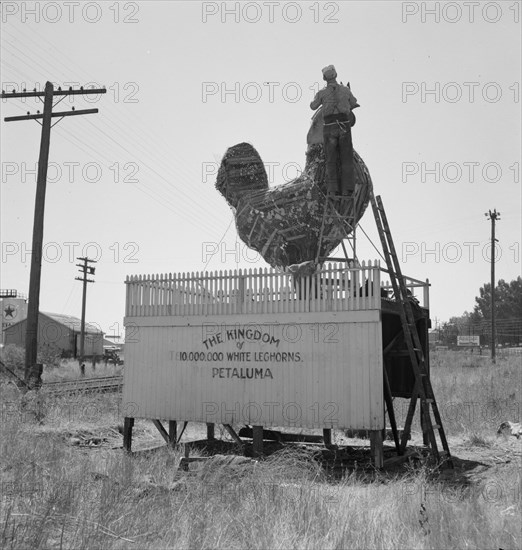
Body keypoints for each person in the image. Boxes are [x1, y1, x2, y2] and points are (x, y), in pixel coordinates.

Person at [310, 65, 359, 197]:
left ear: (324, 78)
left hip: (330, 126)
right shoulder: (345, 90)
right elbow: (354, 102)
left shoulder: (322, 92)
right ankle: (347, 189)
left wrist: (321, 100)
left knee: (330, 159)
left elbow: (312, 106)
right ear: (336, 75)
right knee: (346, 157)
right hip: (344, 125)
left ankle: (333, 190)